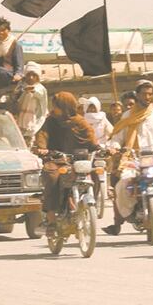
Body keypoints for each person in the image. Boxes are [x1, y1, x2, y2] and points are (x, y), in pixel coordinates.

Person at [106, 79, 153, 234]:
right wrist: (114, 147)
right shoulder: (127, 115)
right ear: (137, 94)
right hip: (133, 159)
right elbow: (117, 137)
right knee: (124, 182)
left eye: (150, 94)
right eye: (144, 94)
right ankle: (130, 211)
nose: (147, 97)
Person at [33, 92, 102, 233]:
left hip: (78, 161)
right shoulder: (51, 121)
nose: (54, 109)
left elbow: (91, 139)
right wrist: (43, 148)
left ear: (66, 107)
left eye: (57, 106)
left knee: (95, 173)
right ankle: (51, 220)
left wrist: (100, 149)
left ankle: (86, 203)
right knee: (52, 176)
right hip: (56, 160)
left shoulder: (80, 121)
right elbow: (42, 135)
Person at [13, 62, 48, 145]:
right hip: (20, 122)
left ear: (37, 77)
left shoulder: (40, 88)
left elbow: (41, 102)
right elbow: (15, 99)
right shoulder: (21, 86)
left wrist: (32, 91)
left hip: (33, 123)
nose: (31, 77)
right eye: (28, 75)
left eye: (34, 75)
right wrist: (23, 91)